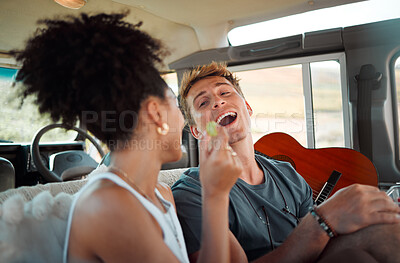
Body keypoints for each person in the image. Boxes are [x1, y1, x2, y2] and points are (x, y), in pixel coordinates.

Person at [12, 13, 243, 263]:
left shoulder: (162, 195)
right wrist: (216, 196)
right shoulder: (108, 204)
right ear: (156, 113)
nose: (184, 121)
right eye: (176, 106)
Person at [172, 62, 400, 262]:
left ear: (248, 108)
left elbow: (318, 246)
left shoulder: (287, 173)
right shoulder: (191, 193)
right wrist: (323, 220)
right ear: (197, 132)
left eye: (226, 93)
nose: (218, 102)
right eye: (203, 103)